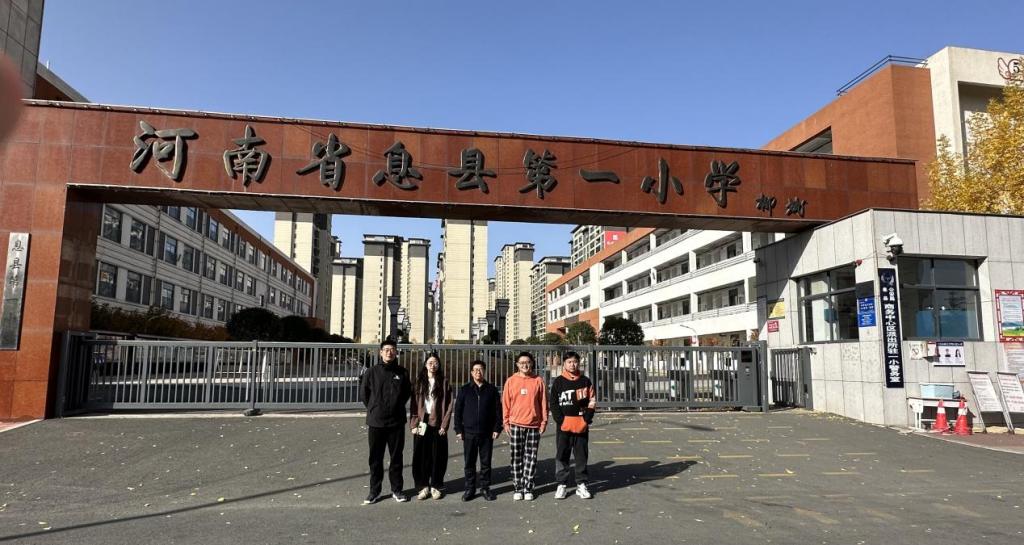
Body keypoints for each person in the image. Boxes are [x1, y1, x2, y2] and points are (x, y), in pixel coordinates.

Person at [360, 338, 412, 504]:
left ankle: (397, 490)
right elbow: (364, 394)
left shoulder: (402, 372)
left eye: (392, 350)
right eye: (386, 350)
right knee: (375, 458)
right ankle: (374, 491)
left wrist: (396, 406)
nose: (389, 352)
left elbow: (406, 393)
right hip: (376, 422)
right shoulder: (372, 372)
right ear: (381, 352)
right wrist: (374, 408)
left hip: (396, 422)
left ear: (396, 352)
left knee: (396, 458)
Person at [549, 351, 596, 500]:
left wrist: (586, 419)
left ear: (579, 363)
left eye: (575, 362)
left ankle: (581, 484)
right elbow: (553, 403)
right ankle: (561, 484)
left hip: (581, 426)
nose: (572, 364)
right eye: (569, 362)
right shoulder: (558, 382)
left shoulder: (585, 381)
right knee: (562, 455)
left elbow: (592, 401)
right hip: (564, 426)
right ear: (564, 364)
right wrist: (561, 421)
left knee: (581, 455)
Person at [454, 360, 502, 501]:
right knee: (469, 463)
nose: (478, 372)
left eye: (480, 369)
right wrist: (458, 429)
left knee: (485, 463)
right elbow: (458, 411)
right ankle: (470, 488)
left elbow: (498, 411)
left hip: (487, 433)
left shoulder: (492, 390)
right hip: (469, 433)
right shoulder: (465, 390)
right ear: (471, 372)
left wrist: (497, 428)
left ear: (484, 371)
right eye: (475, 369)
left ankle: (485, 488)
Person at [502, 351, 548, 501]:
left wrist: (544, 422)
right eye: (521, 363)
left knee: (531, 457)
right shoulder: (511, 381)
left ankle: (528, 487)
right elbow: (506, 403)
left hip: (534, 425)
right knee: (516, 457)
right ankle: (518, 487)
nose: (525, 365)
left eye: (527, 362)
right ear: (517, 365)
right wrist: (506, 422)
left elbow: (543, 403)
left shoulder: (538, 381)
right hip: (515, 424)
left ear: (532, 363)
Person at [409, 353, 454, 500]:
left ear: (439, 365)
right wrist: (414, 424)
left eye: (435, 363)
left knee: (438, 455)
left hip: (438, 422)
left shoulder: (444, 382)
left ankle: (436, 485)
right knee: (421, 455)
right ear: (425, 364)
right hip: (422, 422)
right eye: (430, 362)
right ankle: (423, 486)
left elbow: (449, 405)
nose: (433, 365)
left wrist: (444, 425)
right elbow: (414, 404)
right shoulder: (419, 381)